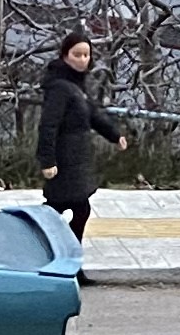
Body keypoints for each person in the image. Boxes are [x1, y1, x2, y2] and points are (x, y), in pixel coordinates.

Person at [36, 32, 126, 237]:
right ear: (65, 55)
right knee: (68, 208)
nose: (83, 59)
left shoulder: (76, 84)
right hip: (65, 159)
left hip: (76, 158)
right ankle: (63, 253)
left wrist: (114, 135)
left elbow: (92, 113)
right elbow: (48, 125)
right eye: (77, 54)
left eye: (86, 55)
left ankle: (62, 253)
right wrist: (47, 161)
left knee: (68, 208)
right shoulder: (60, 87)